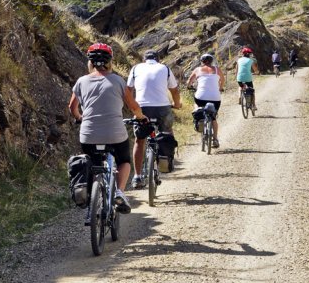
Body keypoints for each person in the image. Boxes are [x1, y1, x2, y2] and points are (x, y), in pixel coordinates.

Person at [68, 42, 145, 216]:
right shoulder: (118, 80)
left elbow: (72, 107)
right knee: (124, 160)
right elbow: (133, 107)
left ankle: (94, 191)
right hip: (115, 133)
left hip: (88, 134)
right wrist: (141, 117)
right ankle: (119, 192)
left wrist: (80, 118)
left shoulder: (81, 81)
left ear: (90, 62)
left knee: (93, 163)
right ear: (110, 61)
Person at [127, 50, 182, 188]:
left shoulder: (136, 68)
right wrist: (176, 104)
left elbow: (128, 91)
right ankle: (166, 160)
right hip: (162, 108)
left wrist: (133, 107)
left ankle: (137, 177)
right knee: (167, 132)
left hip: (142, 108)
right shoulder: (165, 68)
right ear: (158, 59)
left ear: (144, 59)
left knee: (139, 141)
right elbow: (174, 90)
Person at [186, 53, 225, 148]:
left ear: (202, 61)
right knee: (213, 117)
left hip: (201, 97)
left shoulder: (197, 69)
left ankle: (197, 114)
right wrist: (220, 88)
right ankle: (215, 139)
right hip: (215, 98)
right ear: (211, 61)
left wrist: (189, 86)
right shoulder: (217, 69)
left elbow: (189, 82)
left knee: (196, 102)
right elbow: (222, 80)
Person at [234, 46, 259, 110]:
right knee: (252, 91)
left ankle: (240, 96)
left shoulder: (238, 60)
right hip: (248, 78)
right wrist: (256, 72)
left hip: (239, 78)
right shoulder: (250, 60)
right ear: (249, 54)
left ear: (243, 54)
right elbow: (255, 70)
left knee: (240, 86)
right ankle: (253, 105)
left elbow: (236, 70)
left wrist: (236, 77)